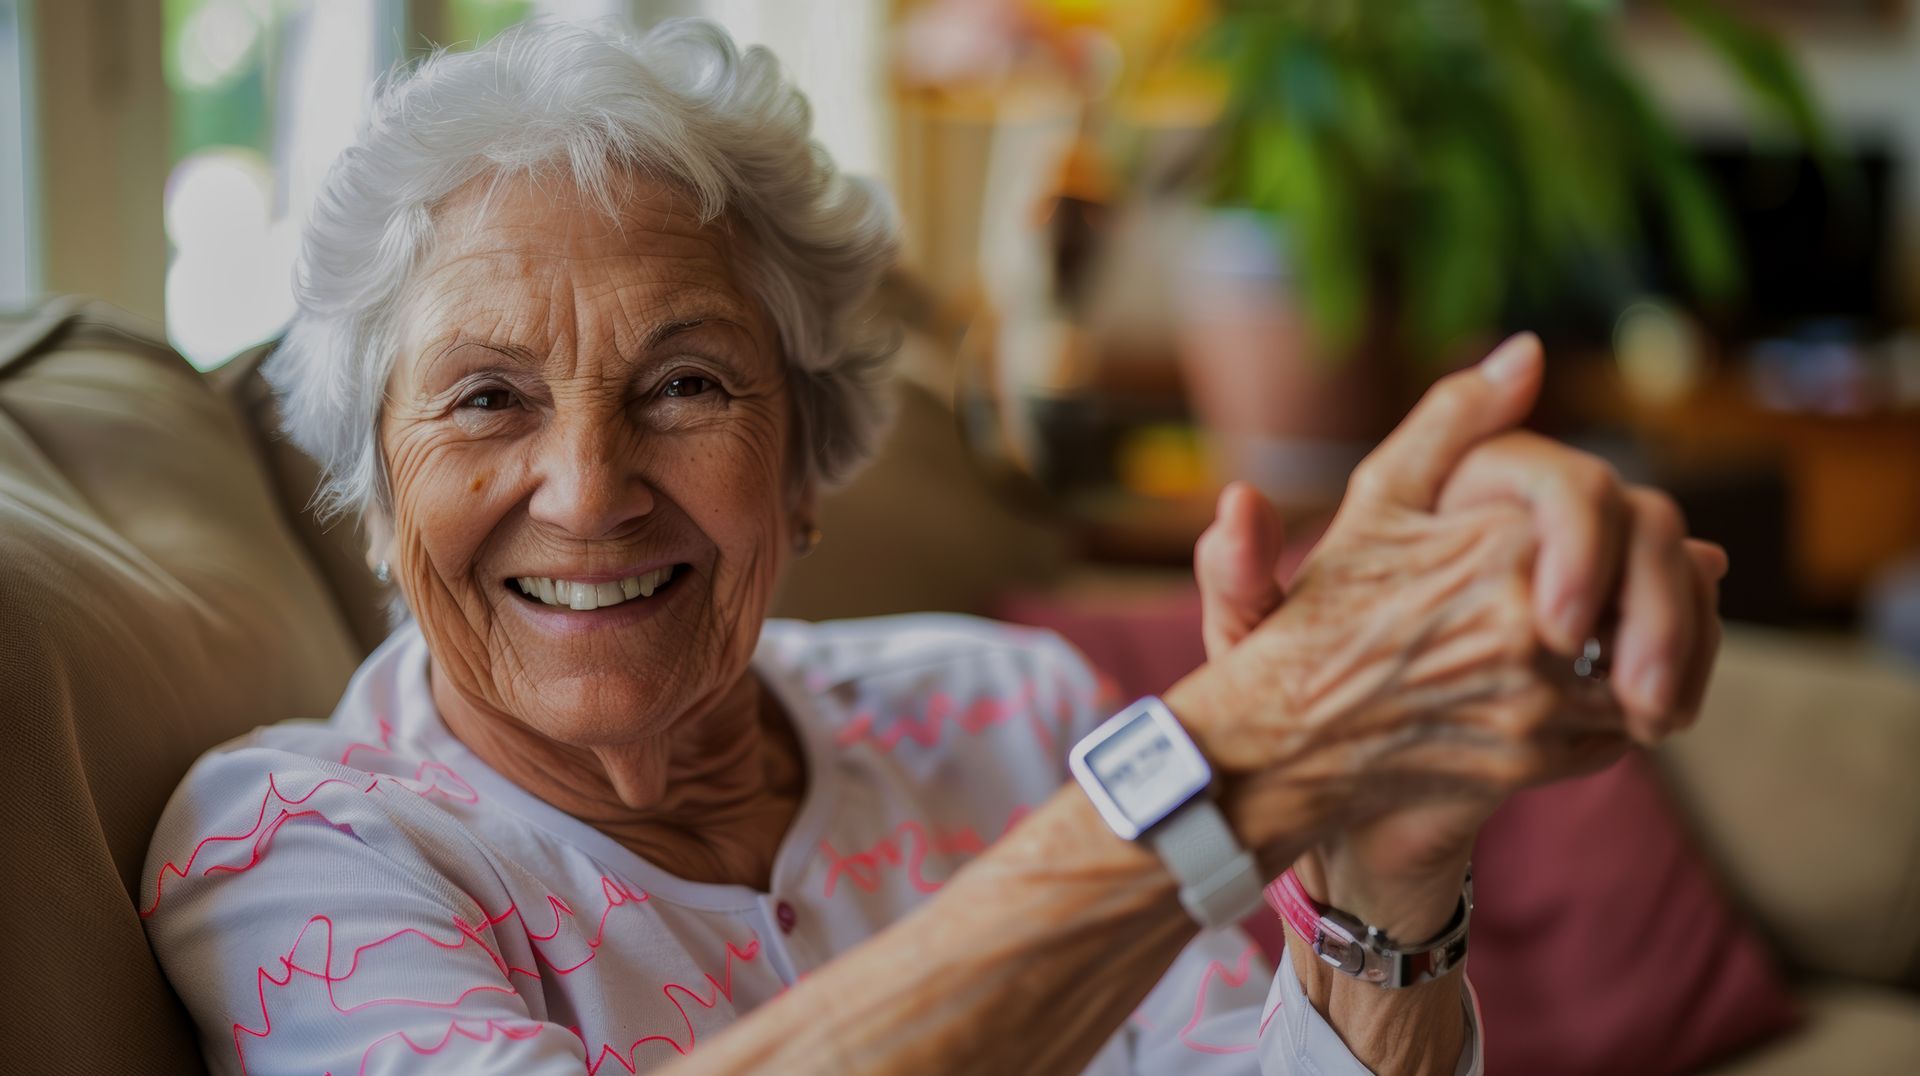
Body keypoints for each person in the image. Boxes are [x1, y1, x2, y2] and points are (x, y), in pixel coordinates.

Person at [140, 20, 1725, 1075]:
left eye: (685, 383)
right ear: (378, 490)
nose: (586, 485)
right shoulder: (297, 851)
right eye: (486, 399)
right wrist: (1235, 758)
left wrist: (1382, 868)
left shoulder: (998, 710)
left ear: (809, 462)